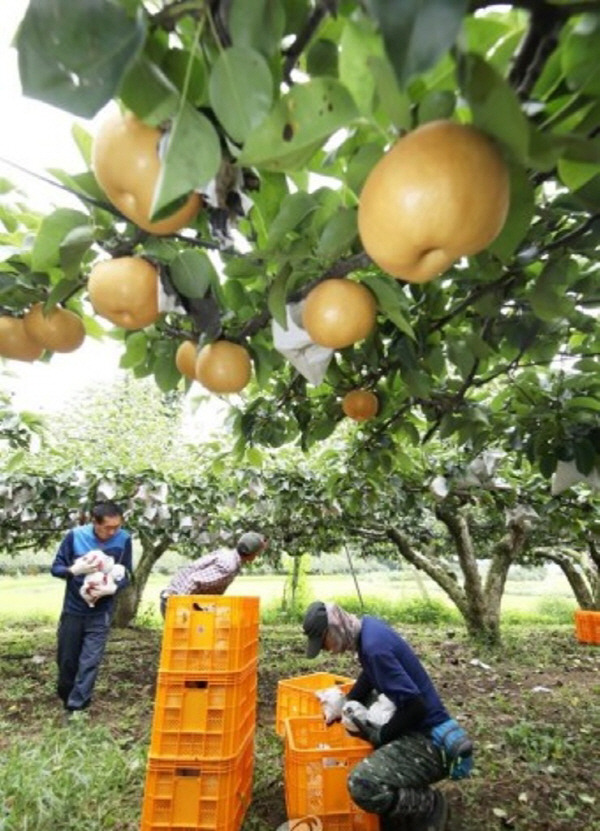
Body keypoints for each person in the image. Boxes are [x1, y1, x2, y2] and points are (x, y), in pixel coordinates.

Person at [302, 601, 474, 831]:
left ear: (335, 629)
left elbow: (416, 707)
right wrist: (347, 702)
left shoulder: (374, 649)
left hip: (428, 739)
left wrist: (381, 735)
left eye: (324, 643)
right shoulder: (368, 630)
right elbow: (371, 675)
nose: (327, 650)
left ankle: (430, 805)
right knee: (360, 715)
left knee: (362, 784)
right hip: (418, 723)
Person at [50, 500, 132, 718]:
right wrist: (73, 570)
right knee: (67, 661)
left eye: (117, 527)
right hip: (73, 610)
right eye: (108, 527)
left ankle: (77, 708)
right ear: (94, 522)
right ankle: (67, 697)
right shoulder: (75, 536)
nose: (113, 531)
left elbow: (127, 573)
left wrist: (113, 587)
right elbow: (55, 568)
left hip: (101, 612)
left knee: (89, 662)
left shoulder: (124, 539)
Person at [159, 531, 268, 617]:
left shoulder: (227, 555)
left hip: (184, 601)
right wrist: (181, 609)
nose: (258, 555)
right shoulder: (228, 566)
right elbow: (193, 581)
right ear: (251, 553)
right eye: (258, 552)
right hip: (175, 601)